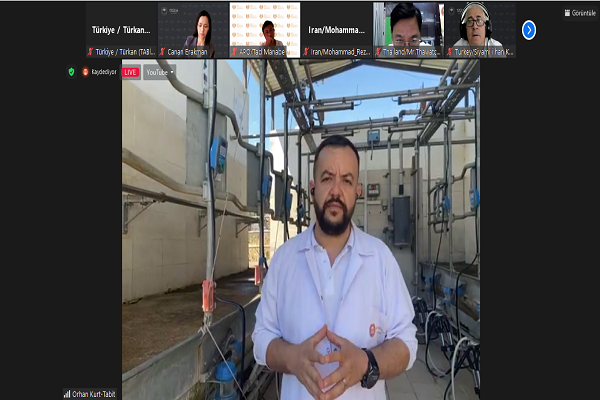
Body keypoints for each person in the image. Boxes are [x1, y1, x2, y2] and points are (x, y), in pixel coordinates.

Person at [252, 135, 418, 400]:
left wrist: (367, 364)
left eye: (347, 180)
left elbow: (407, 342)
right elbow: (261, 337)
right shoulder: (285, 260)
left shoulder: (380, 259)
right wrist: (291, 358)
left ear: (357, 190)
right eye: (328, 178)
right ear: (313, 187)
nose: (336, 191)